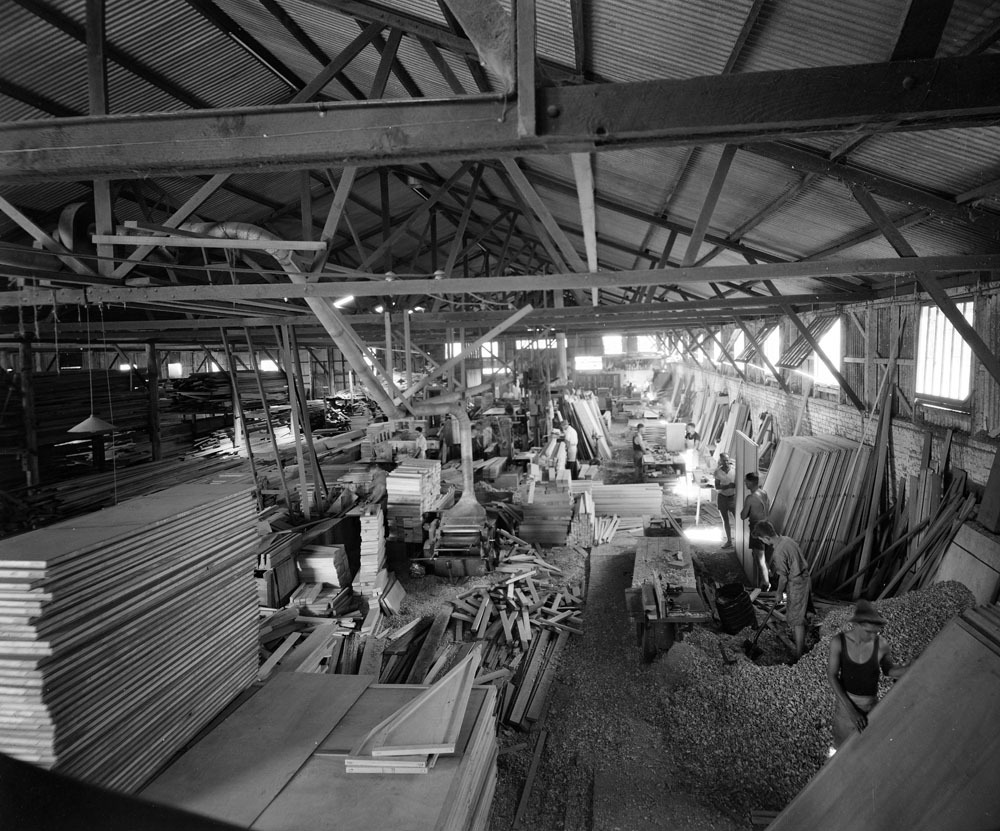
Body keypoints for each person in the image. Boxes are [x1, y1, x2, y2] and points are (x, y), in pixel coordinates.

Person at [827, 599, 909, 751]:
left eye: (876, 632)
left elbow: (888, 670)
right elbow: (832, 676)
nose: (873, 636)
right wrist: (851, 711)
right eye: (868, 632)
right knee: (840, 749)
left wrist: (909, 668)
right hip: (845, 706)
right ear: (857, 625)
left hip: (869, 704)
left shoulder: (881, 644)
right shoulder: (838, 642)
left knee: (865, 748)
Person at [754, 521, 811, 661]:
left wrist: (779, 593)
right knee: (800, 613)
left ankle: (799, 655)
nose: (763, 543)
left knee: (796, 620)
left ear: (767, 538)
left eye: (762, 540)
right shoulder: (787, 539)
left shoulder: (779, 552)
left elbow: (783, 578)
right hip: (804, 578)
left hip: (797, 583)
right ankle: (803, 640)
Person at [740, 471, 771, 589]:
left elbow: (743, 516)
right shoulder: (763, 493)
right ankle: (768, 577)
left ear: (750, 482)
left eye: (745, 481)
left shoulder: (750, 498)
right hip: (766, 527)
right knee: (760, 556)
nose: (744, 483)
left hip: (756, 529)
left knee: (760, 558)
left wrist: (745, 511)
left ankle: (766, 584)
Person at [712, 452, 736, 548]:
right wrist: (727, 486)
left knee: (737, 519)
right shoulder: (717, 472)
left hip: (732, 497)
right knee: (725, 520)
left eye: (727, 460)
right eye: (724, 461)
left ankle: (740, 540)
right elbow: (717, 486)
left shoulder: (734, 471)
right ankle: (729, 541)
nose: (726, 462)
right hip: (722, 497)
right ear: (720, 461)